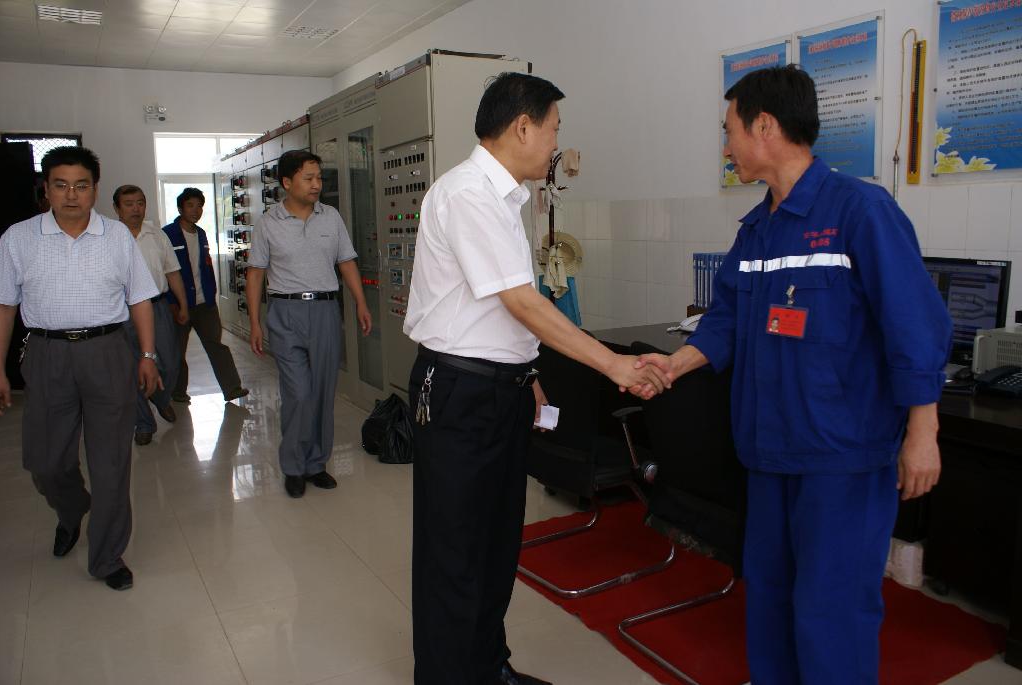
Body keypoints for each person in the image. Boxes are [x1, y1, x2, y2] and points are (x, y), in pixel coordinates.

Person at [635, 65, 952, 684]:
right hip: (769, 452)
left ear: (764, 126)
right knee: (771, 600)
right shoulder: (757, 229)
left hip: (841, 458)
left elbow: (915, 325)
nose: (725, 147)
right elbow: (726, 319)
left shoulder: (861, 211)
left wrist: (923, 432)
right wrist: (673, 363)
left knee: (831, 611)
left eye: (728, 131)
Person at [403, 72, 667, 685]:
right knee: (454, 548)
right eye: (554, 130)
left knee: (496, 544)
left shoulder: (505, 200)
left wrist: (530, 376)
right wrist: (613, 364)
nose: (556, 145)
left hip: (499, 387)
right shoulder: (466, 194)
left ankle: (487, 667)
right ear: (523, 126)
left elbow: (500, 313)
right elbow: (521, 302)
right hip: (459, 393)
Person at [0, 146, 162, 591]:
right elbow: (5, 307)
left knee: (111, 462)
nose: (71, 195)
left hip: (108, 352)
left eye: (81, 185)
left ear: (95, 189)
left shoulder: (116, 236)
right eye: (61, 185)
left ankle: (107, 556)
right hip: (47, 354)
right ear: (46, 189)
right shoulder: (18, 238)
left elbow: (140, 299)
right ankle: (72, 509)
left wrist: (147, 356)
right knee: (45, 462)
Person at [245, 149, 372, 498]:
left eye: (319, 178)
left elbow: (346, 263)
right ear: (287, 182)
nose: (317, 184)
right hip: (285, 313)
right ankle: (293, 466)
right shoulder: (268, 222)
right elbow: (255, 274)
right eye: (309, 178)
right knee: (298, 393)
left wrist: (361, 303)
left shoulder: (331, 217)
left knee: (322, 392)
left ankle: (316, 463)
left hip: (325, 311)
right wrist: (255, 322)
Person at [114, 184, 190, 445]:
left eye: (140, 203)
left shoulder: (157, 236)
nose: (136, 209)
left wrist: (183, 304)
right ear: (117, 208)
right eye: (129, 204)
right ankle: (144, 423)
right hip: (122, 310)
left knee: (170, 362)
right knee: (130, 368)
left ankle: (160, 397)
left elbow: (172, 272)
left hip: (157, 306)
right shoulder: (110, 238)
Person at [162, 187, 248, 404]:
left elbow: (205, 267)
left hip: (205, 304)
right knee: (177, 352)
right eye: (190, 205)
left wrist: (212, 294)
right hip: (179, 305)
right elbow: (164, 272)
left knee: (217, 346)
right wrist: (172, 303)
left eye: (199, 206)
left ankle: (232, 388)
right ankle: (178, 392)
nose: (195, 210)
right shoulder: (167, 234)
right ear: (180, 208)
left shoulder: (201, 233)